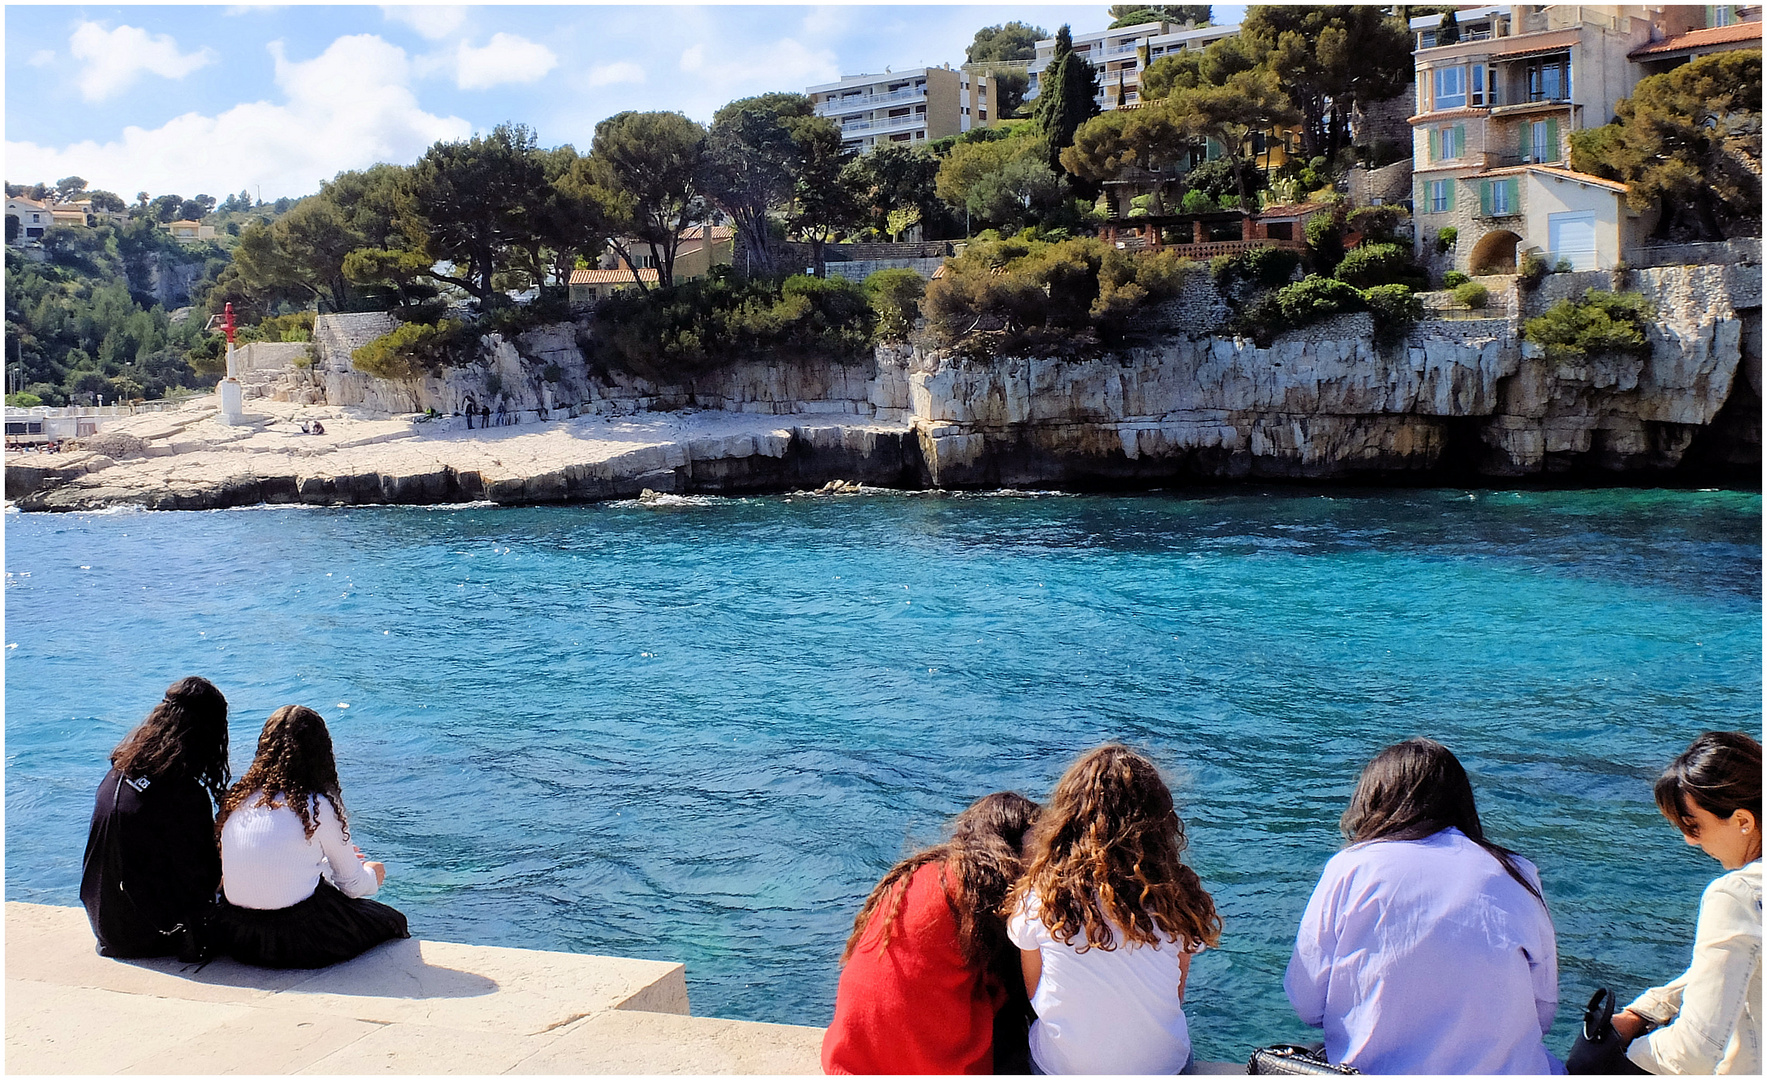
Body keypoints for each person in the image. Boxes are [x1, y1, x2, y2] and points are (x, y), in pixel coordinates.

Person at [1285, 738, 1560, 1074]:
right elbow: (1543, 1009)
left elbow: (1307, 1002)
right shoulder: (1517, 872)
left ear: (1372, 800)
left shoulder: (1351, 867)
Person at [1005, 744, 1220, 1075]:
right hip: (1164, 1068)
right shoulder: (1175, 900)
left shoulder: (1039, 898)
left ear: (1067, 819)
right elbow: (1175, 995)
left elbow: (1035, 994)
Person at [823, 792, 1040, 1075]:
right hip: (926, 1066)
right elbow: (1030, 991)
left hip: (853, 1061)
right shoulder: (982, 897)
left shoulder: (920, 875)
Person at [209, 705, 408, 968]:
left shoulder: (238, 799)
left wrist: (321, 867)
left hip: (238, 936)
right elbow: (353, 886)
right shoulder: (316, 805)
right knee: (391, 921)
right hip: (298, 941)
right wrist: (372, 873)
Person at [1610, 731, 1761, 1074]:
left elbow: (1694, 1050)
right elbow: (1741, 959)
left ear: (1743, 821)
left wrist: (1627, 1055)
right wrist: (1649, 1008)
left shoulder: (1736, 895)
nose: (1689, 841)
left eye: (1693, 826)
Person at [81, 676, 231, 959]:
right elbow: (205, 879)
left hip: (105, 924)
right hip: (148, 935)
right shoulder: (183, 794)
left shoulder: (119, 771)